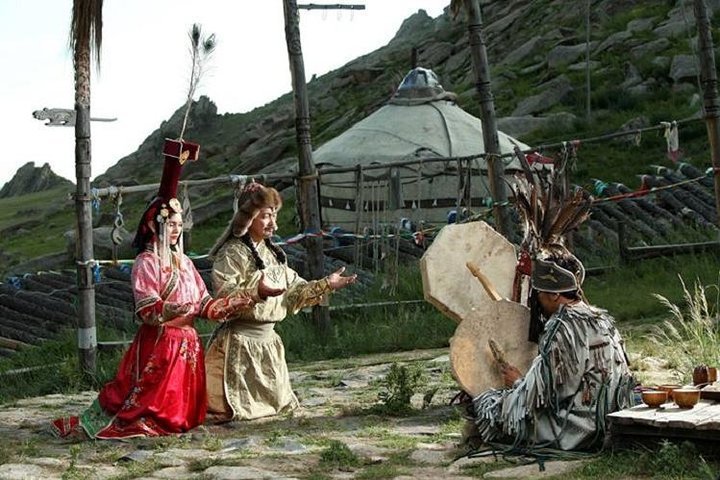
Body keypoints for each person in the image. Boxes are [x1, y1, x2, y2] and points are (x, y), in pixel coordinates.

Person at [51, 139, 253, 440]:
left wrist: (245, 299)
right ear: (155, 225)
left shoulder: (184, 262)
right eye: (170, 223)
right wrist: (169, 309)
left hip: (188, 345)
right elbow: (146, 308)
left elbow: (205, 305)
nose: (177, 229)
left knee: (185, 419)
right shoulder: (146, 262)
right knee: (145, 412)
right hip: (160, 344)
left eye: (179, 223)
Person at [205, 182, 357, 421]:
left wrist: (327, 283)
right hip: (239, 346)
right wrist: (257, 292)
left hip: (268, 344)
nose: (272, 224)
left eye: (273, 216)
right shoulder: (232, 253)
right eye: (265, 216)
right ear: (249, 217)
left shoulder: (274, 253)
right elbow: (224, 296)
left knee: (275, 411)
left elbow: (295, 291)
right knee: (232, 413)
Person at [470, 244, 636, 451]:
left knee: (488, 404)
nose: (538, 299)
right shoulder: (601, 318)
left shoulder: (562, 327)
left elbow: (551, 394)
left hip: (578, 428)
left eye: (539, 293)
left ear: (555, 294)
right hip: (609, 417)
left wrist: (518, 382)